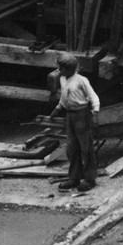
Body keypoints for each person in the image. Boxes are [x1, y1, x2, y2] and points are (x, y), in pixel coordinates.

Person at [49, 52, 100, 192]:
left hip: (82, 115)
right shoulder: (63, 79)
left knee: (86, 148)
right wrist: (57, 109)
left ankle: (90, 179)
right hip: (70, 116)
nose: (59, 70)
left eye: (61, 68)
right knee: (72, 148)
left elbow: (93, 97)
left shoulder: (81, 80)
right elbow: (64, 97)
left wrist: (95, 114)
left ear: (69, 69)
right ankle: (74, 178)